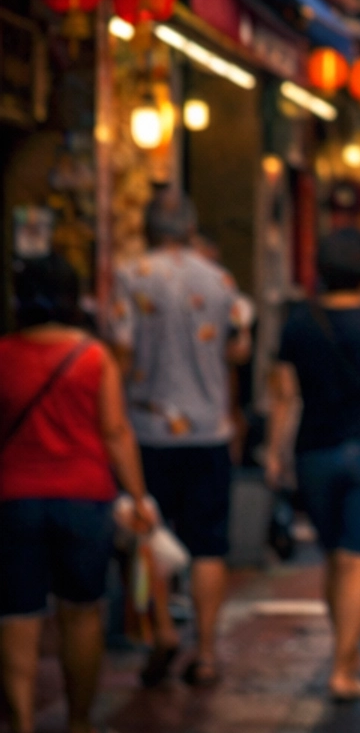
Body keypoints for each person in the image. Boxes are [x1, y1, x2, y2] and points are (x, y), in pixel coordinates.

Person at [267, 227, 360, 704]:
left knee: (335, 558)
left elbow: (281, 394)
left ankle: (345, 653)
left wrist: (275, 451)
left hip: (315, 451)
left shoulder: (298, 324)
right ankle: (343, 665)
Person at [0, 254, 152, 733]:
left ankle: (21, 722)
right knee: (82, 613)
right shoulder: (93, 356)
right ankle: (81, 722)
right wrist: (139, 495)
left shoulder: (3, 353)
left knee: (17, 614)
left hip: (14, 498)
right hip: (85, 499)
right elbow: (115, 431)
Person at [109, 191, 250, 688]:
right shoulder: (221, 280)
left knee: (146, 535)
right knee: (209, 546)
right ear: (191, 229)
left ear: (148, 229)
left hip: (144, 432)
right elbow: (238, 350)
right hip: (209, 430)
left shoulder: (129, 276)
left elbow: (120, 354)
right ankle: (207, 652)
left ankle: (163, 631)